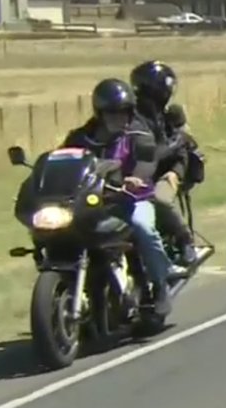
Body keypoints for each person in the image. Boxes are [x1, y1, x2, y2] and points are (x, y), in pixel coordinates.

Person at [62, 79, 185, 316]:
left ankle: (160, 286)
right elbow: (66, 158)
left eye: (123, 113)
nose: (119, 118)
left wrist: (135, 177)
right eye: (112, 114)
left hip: (134, 198)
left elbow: (147, 161)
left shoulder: (138, 133)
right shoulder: (80, 137)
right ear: (100, 113)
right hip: (97, 201)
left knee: (143, 227)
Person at [130, 60, 199, 268]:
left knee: (159, 198)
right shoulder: (131, 115)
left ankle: (184, 240)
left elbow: (184, 147)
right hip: (137, 171)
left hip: (167, 169)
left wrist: (175, 171)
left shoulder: (170, 116)